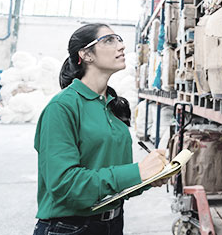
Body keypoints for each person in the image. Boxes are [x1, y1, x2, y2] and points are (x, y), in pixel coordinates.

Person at [33, 23, 167, 235]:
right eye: (109, 40)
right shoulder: (62, 107)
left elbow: (111, 179)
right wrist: (137, 171)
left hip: (112, 223)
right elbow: (64, 185)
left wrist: (147, 178)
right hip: (69, 227)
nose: (121, 46)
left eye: (120, 39)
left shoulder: (113, 106)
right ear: (86, 55)